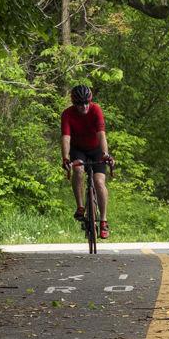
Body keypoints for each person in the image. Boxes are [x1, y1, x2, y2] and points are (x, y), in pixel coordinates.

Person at [60, 84, 111, 239]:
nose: (84, 106)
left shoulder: (96, 110)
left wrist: (105, 154)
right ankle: (81, 206)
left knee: (99, 182)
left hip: (96, 149)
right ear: (74, 104)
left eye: (86, 102)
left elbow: (101, 134)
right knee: (78, 169)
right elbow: (66, 138)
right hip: (78, 149)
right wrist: (66, 158)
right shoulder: (67, 114)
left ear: (90, 101)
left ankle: (103, 220)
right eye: (80, 104)